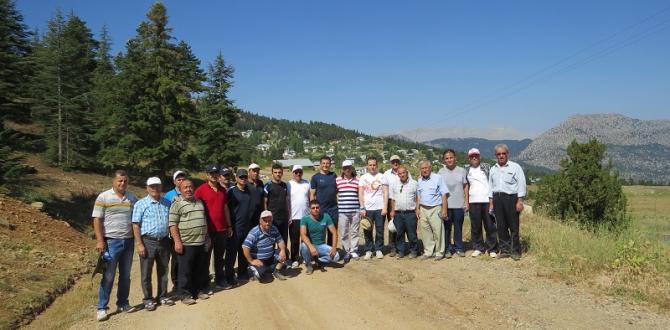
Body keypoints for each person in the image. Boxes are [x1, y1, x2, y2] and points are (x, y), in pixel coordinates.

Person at [92, 170, 138, 321]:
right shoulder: (104, 196)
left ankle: (123, 303)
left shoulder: (132, 197)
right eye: (120, 181)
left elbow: (137, 218)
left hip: (129, 241)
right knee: (109, 275)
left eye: (125, 181)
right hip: (111, 242)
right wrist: (100, 240)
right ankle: (102, 308)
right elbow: (97, 220)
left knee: (125, 275)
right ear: (113, 181)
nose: (122, 183)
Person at [132, 177, 175, 312]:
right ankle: (148, 299)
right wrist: (139, 244)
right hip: (148, 241)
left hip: (164, 241)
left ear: (161, 187)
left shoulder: (167, 203)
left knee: (163, 271)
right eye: (152, 186)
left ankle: (162, 296)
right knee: (146, 273)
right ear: (147, 188)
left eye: (157, 186)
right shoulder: (141, 204)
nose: (154, 188)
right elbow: (135, 225)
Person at [168, 179, 210, 305]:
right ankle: (185, 294)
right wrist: (177, 242)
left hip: (200, 242)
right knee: (184, 271)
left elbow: (203, 220)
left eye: (191, 187)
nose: (188, 189)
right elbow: (172, 224)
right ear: (180, 190)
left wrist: (206, 236)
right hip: (186, 243)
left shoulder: (199, 202)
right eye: (185, 187)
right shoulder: (177, 204)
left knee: (199, 269)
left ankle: (198, 290)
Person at [194, 164, 235, 290]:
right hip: (208, 231)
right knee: (205, 258)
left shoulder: (223, 190)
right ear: (207, 175)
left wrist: (229, 225)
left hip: (222, 229)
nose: (214, 175)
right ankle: (205, 284)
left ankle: (220, 280)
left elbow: (225, 208)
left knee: (219, 258)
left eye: (216, 173)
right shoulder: (200, 190)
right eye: (211, 173)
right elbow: (194, 206)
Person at [489, 144, 527, 261]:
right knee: (501, 226)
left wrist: (520, 201)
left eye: (503, 153)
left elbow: (521, 184)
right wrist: (491, 202)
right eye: (498, 154)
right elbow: (491, 186)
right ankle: (505, 250)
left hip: (511, 199)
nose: (501, 156)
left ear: (507, 154)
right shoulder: (493, 169)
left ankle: (515, 251)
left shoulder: (515, 167)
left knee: (513, 226)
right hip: (497, 199)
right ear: (496, 155)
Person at [464, 148, 497, 258]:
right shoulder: (466, 170)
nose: (474, 158)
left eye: (476, 156)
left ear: (480, 157)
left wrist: (492, 201)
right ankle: (479, 247)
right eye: (472, 156)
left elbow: (492, 182)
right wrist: (466, 202)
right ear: (469, 158)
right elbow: (466, 186)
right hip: (473, 201)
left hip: (487, 201)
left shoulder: (486, 167)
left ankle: (492, 248)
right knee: (475, 226)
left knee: (490, 226)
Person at [416, 160, 450, 260]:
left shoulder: (438, 178)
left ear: (430, 168)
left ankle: (439, 252)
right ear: (420, 170)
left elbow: (444, 194)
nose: (424, 170)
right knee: (425, 232)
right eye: (422, 168)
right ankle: (428, 252)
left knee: (438, 231)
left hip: (435, 208)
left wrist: (444, 210)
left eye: (426, 168)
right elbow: (419, 196)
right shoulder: (419, 180)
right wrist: (417, 209)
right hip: (423, 209)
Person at [242, 210, 289, 281]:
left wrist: (282, 250)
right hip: (259, 259)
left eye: (269, 221)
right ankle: (252, 267)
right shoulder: (254, 232)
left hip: (270, 257)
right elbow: (245, 247)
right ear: (260, 221)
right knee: (262, 275)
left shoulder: (274, 229)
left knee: (285, 252)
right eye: (265, 221)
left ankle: (276, 270)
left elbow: (280, 241)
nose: (267, 223)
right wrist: (251, 260)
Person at [438, 149, 468, 258]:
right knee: (446, 228)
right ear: (444, 160)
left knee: (458, 227)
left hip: (459, 205)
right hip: (446, 206)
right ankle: (447, 249)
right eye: (447, 158)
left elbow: (465, 186)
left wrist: (466, 201)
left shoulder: (462, 171)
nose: (449, 160)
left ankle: (459, 248)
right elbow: (439, 189)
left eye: (451, 157)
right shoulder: (441, 172)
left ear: (455, 158)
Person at [227, 169, 255, 281]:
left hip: (247, 226)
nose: (243, 179)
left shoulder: (249, 191)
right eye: (241, 177)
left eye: (245, 177)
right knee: (232, 253)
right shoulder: (231, 192)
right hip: (235, 227)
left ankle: (242, 273)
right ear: (236, 178)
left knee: (244, 250)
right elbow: (227, 210)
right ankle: (229, 276)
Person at [300, 200, 341, 274]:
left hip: (321, 246)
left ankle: (318, 261)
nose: (315, 209)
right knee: (303, 245)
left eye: (317, 207)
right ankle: (309, 264)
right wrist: (311, 246)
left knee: (336, 256)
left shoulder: (326, 216)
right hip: (310, 246)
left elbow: (334, 232)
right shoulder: (305, 219)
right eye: (313, 208)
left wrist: (334, 248)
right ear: (310, 209)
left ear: (320, 208)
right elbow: (303, 235)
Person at [359, 156, 387, 260]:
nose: (372, 167)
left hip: (379, 208)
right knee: (367, 230)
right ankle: (368, 250)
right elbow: (361, 193)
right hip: (367, 209)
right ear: (367, 166)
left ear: (377, 165)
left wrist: (385, 207)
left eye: (374, 165)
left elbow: (385, 192)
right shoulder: (363, 177)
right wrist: (362, 207)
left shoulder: (382, 176)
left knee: (380, 229)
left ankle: (379, 249)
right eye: (370, 165)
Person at [163, 170, 187, 291]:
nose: (181, 181)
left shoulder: (189, 192)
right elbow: (165, 213)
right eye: (179, 179)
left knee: (186, 257)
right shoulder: (168, 195)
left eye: (183, 178)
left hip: (187, 231)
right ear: (174, 181)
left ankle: (186, 281)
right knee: (176, 259)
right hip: (175, 231)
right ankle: (176, 283)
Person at [382, 155, 410, 257]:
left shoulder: (406, 172)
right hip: (391, 201)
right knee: (392, 224)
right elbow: (385, 189)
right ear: (391, 163)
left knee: (402, 224)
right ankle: (393, 247)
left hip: (403, 200)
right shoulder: (386, 174)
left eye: (397, 161)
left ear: (399, 161)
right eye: (393, 161)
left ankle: (401, 246)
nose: (395, 163)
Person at [389, 166, 418, 258]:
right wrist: (392, 211)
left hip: (410, 213)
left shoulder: (414, 183)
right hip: (398, 214)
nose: (402, 175)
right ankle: (401, 251)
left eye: (403, 173)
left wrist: (417, 209)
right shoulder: (394, 184)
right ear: (398, 175)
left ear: (407, 172)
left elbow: (418, 198)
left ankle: (414, 251)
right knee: (399, 234)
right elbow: (393, 199)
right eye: (400, 173)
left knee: (412, 234)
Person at [309, 156, 338, 245]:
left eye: (327, 163)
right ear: (320, 164)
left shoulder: (334, 175)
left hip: (333, 209)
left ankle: (330, 250)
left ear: (330, 164)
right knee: (320, 232)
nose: (325, 165)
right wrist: (313, 209)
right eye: (324, 163)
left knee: (332, 231)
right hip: (321, 209)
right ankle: (319, 250)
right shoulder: (315, 177)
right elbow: (312, 194)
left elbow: (336, 190)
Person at [336, 160, 360, 261]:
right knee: (344, 232)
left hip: (355, 210)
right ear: (342, 169)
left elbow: (360, 195)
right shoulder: (338, 180)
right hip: (342, 211)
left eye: (349, 167)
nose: (347, 169)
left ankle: (354, 250)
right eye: (345, 168)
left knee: (355, 232)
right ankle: (346, 251)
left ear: (352, 168)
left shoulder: (357, 180)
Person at [287, 165, 310, 268]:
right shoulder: (288, 184)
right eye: (296, 172)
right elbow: (286, 200)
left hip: (305, 217)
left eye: (300, 172)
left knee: (305, 239)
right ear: (293, 173)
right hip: (294, 216)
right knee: (294, 240)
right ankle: (295, 259)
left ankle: (305, 256)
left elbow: (310, 197)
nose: (298, 174)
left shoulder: (307, 183)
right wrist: (288, 215)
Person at [263, 164, 290, 247]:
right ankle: (271, 259)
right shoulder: (268, 186)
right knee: (271, 241)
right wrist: (267, 217)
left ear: (282, 173)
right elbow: (264, 202)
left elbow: (286, 200)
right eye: (275, 172)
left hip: (283, 218)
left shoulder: (284, 185)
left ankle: (283, 259)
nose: (278, 174)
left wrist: (288, 215)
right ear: (272, 173)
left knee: (283, 240)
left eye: (279, 172)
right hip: (272, 219)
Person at [247, 163, 265, 228]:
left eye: (257, 171)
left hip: (259, 216)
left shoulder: (260, 183)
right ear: (249, 172)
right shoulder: (245, 184)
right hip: (248, 218)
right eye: (254, 171)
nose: (256, 173)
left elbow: (263, 199)